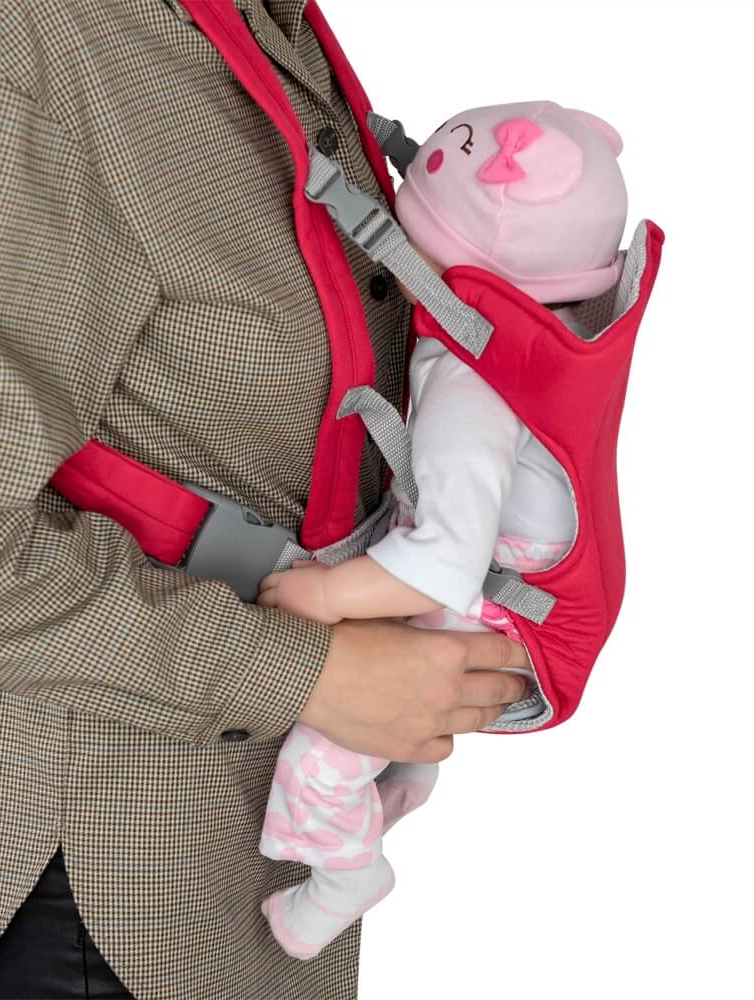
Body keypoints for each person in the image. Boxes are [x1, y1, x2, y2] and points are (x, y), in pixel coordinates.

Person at [0, 2, 530, 998]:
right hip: (106, 889)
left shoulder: (262, 18)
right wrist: (310, 674)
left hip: (258, 859)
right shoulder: (5, 36)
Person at [257, 101, 628, 957]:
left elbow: (445, 564)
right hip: (526, 581)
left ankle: (346, 878)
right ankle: (406, 777)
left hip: (498, 608)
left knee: (317, 757)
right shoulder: (534, 334)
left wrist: (325, 594)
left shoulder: (473, 385)